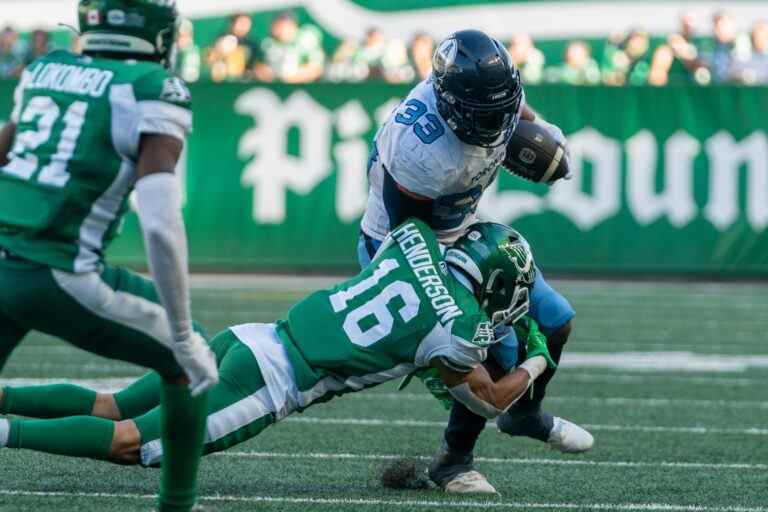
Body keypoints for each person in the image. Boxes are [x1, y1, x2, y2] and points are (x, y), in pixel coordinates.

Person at [0, 220, 556, 478]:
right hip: (269, 380)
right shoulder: (457, 328)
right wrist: (535, 356)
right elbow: (487, 401)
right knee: (132, 445)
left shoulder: (415, 238)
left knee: (116, 405)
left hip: (248, 336)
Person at [0, 1, 218, 510]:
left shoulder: (47, 67)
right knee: (190, 360)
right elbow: (161, 224)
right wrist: (182, 332)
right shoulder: (152, 87)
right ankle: (177, 504)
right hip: (58, 272)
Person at [358, 29, 592, 494]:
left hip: (464, 229)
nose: (498, 122)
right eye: (487, 114)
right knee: (485, 349)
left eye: (502, 108)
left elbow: (519, 114)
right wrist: (455, 307)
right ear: (450, 105)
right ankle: (452, 461)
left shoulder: (496, 92)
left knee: (557, 322)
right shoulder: (420, 149)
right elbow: (409, 241)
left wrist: (543, 141)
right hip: (407, 250)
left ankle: (523, 414)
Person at [254, 11, 325, 83]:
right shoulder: (267, 44)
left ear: (294, 26)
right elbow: (258, 67)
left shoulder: (306, 40)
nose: (280, 29)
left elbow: (316, 69)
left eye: (284, 25)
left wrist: (289, 78)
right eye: (277, 25)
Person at [206, 12, 259, 82]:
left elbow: (256, 67)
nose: (243, 26)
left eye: (246, 23)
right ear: (232, 23)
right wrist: (219, 52)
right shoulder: (221, 39)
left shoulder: (252, 44)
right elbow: (209, 60)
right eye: (241, 22)